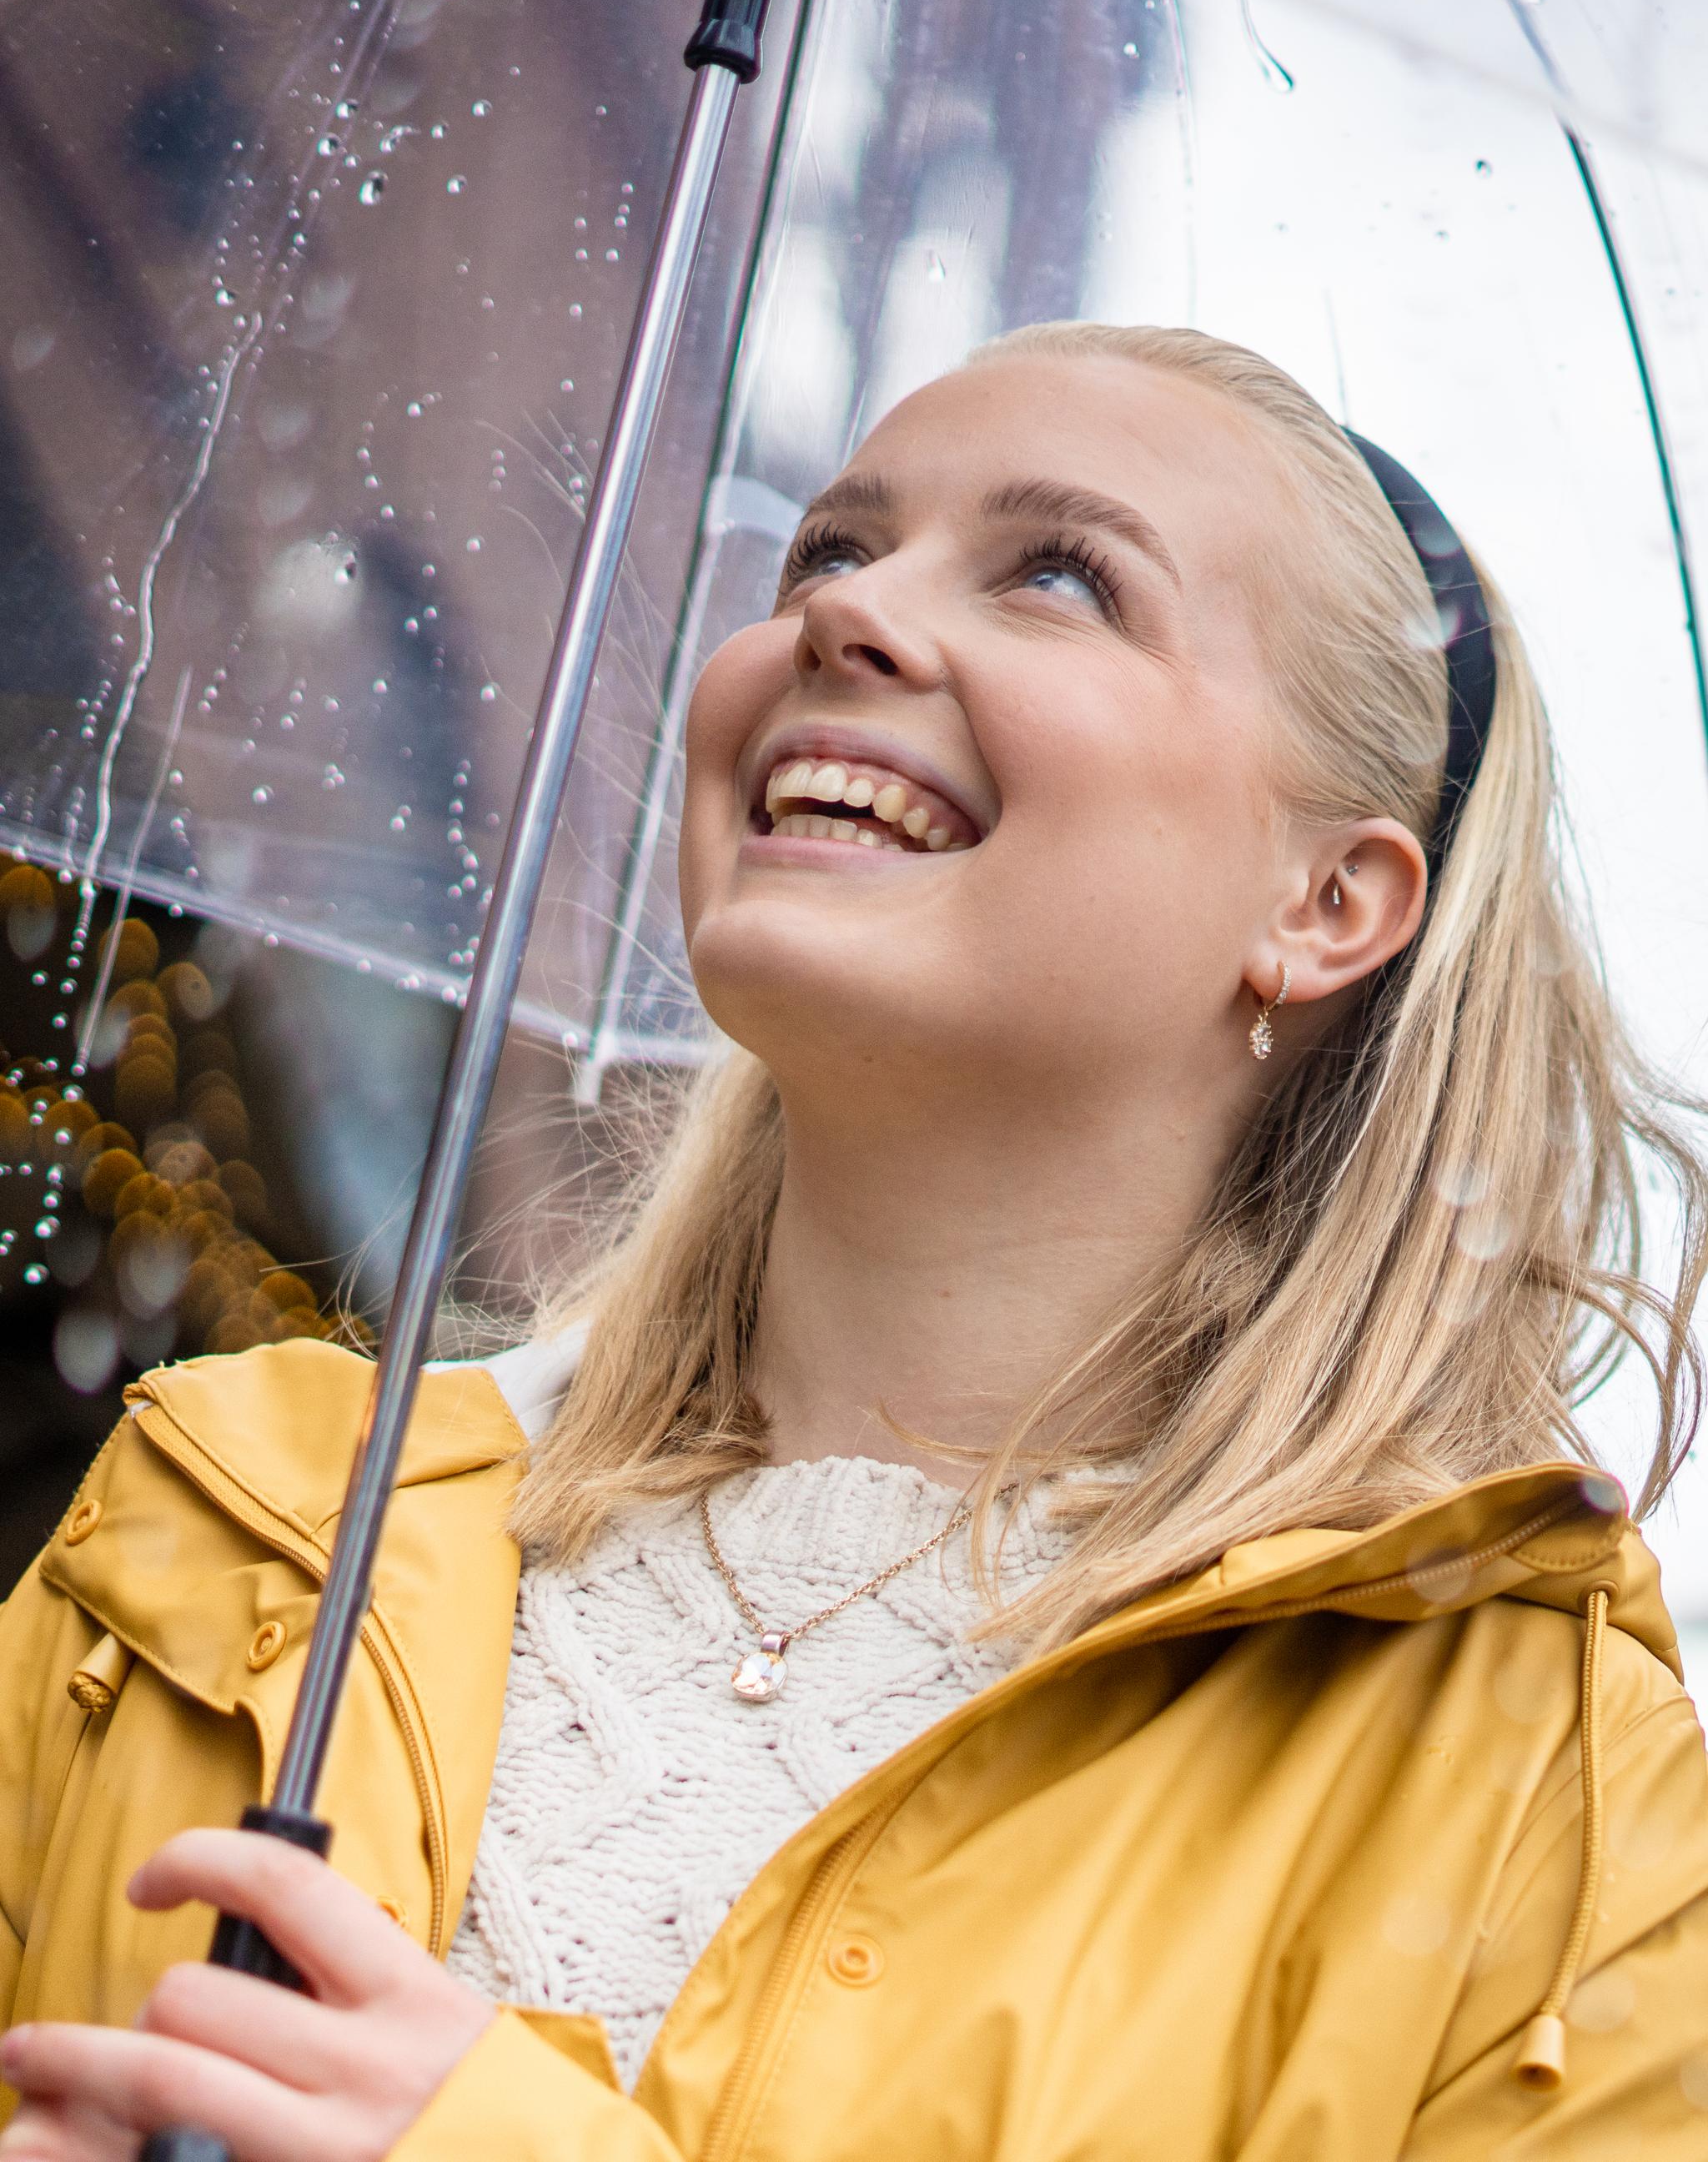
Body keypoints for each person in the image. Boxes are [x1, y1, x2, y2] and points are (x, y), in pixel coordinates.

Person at [2, 323, 1706, 2161]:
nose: (848, 617)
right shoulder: (229, 1520)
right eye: (829, 550)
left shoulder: (1547, 1798)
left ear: (1327, 902)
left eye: (1060, 574)